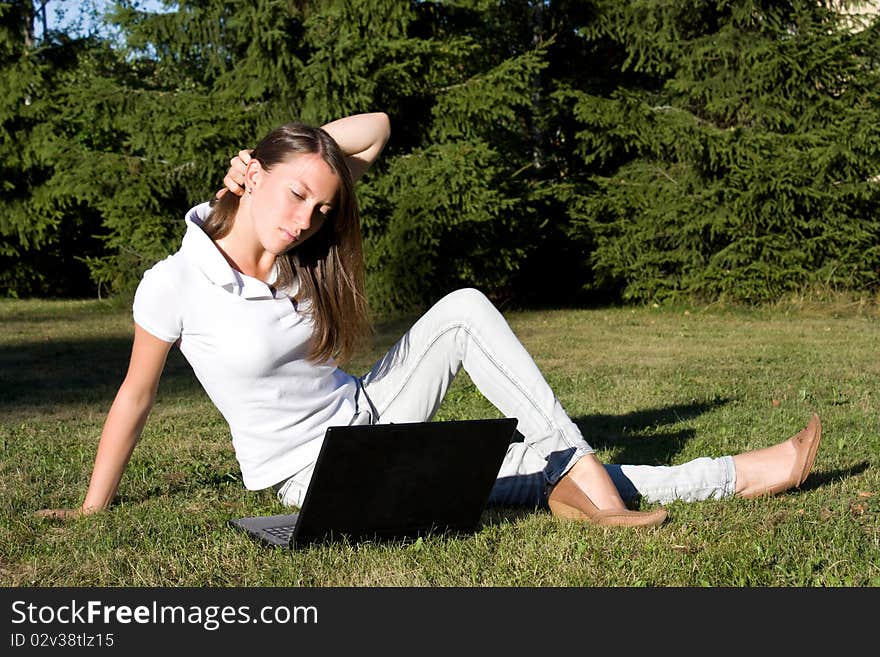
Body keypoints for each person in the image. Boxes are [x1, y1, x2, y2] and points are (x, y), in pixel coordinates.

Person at [38, 112, 823, 528]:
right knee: (511, 475)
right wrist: (91, 507)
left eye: (321, 206)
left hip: (370, 409)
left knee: (464, 311)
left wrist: (278, 159)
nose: (308, 219)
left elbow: (374, 127)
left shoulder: (295, 238)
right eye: (294, 196)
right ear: (253, 179)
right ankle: (730, 475)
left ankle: (581, 471)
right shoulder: (175, 283)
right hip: (311, 473)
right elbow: (134, 398)